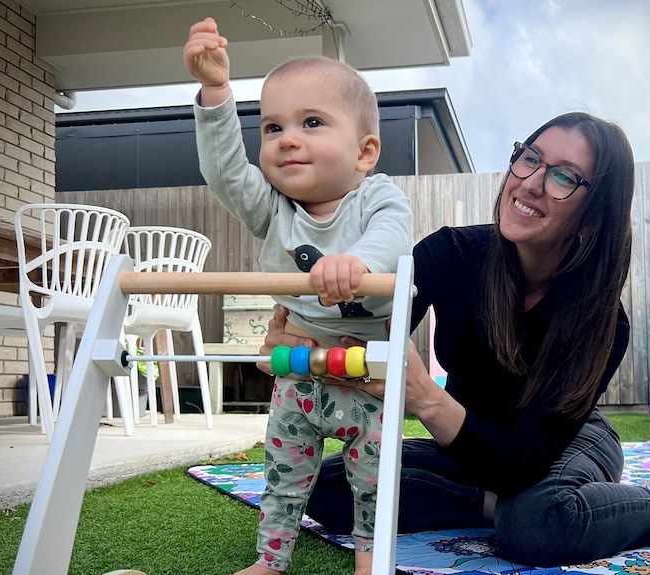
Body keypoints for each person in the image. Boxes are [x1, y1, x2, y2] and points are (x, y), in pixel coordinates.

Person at [258, 112, 650, 566]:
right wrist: (304, 343)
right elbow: (367, 329)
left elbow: (527, 456)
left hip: (563, 443)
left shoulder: (603, 320)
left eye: (564, 176)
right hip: (469, 441)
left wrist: (426, 398)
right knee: (329, 491)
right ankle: (502, 504)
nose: (532, 183)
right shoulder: (451, 253)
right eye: (530, 159)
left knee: (535, 527)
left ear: (593, 215)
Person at [184, 17, 414, 575]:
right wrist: (217, 95)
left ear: (364, 153)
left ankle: (369, 559)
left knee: (372, 480)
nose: (287, 138)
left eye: (312, 122)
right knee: (283, 476)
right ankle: (270, 560)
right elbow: (224, 174)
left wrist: (356, 262)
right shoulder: (273, 210)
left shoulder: (379, 198)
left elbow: (392, 239)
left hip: (369, 380)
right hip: (299, 376)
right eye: (272, 127)